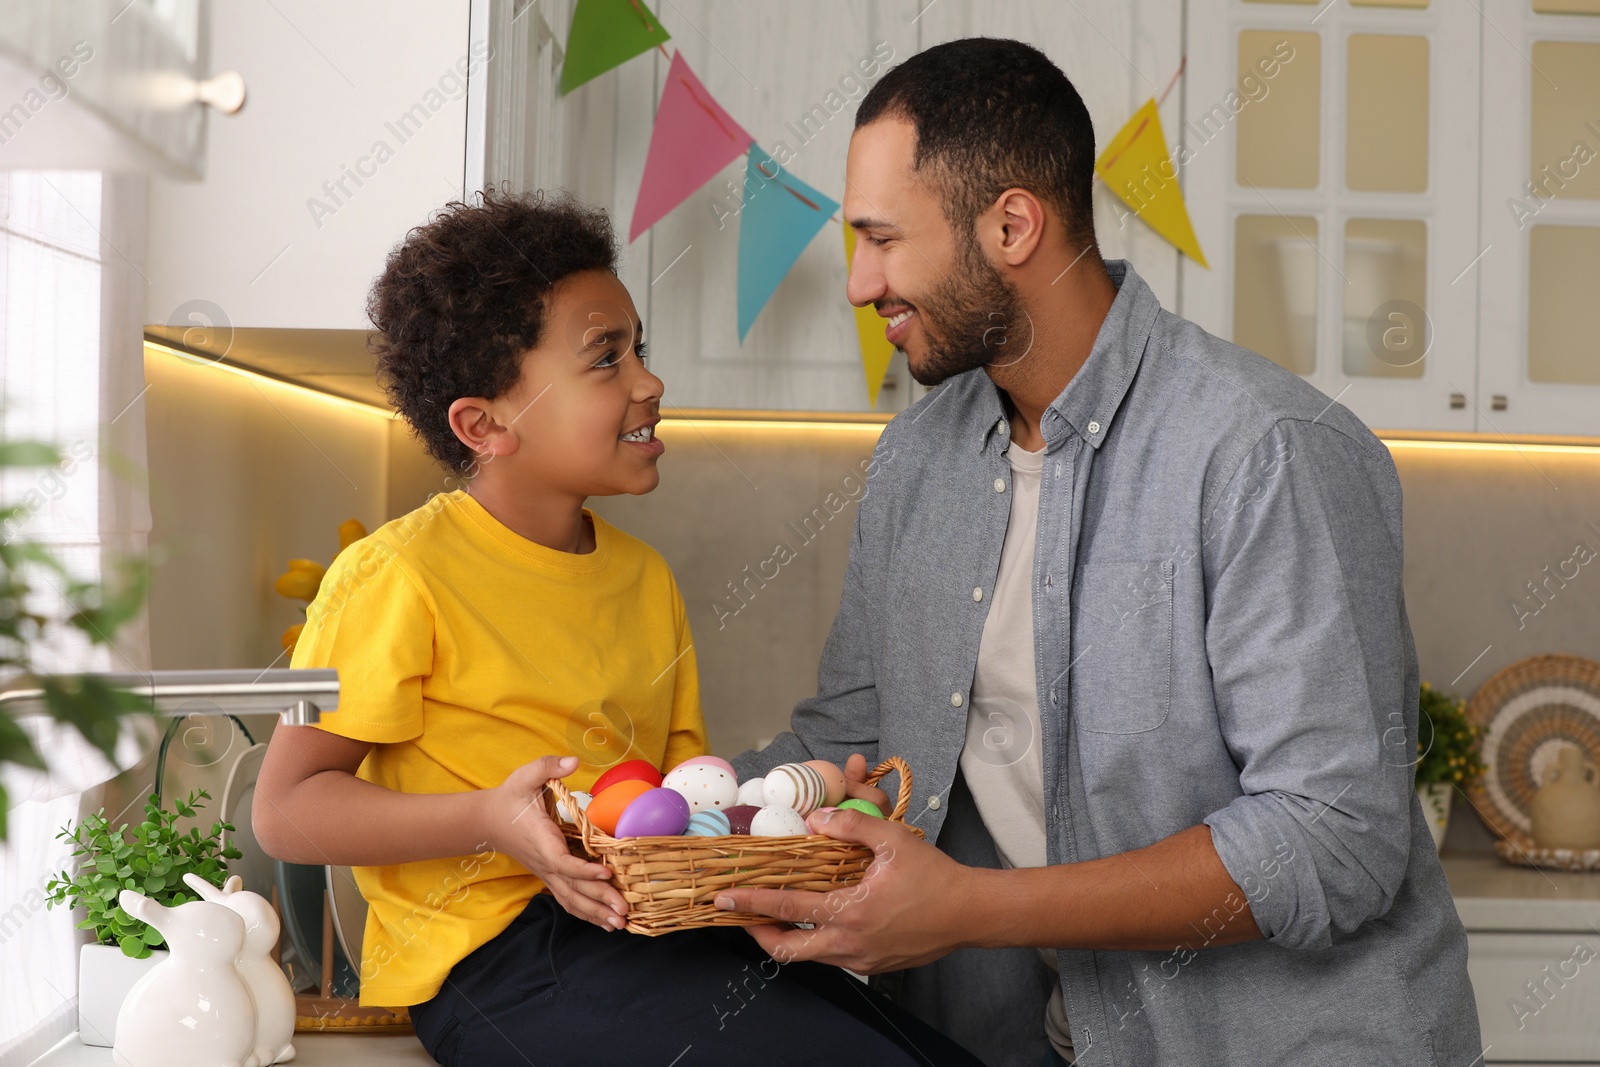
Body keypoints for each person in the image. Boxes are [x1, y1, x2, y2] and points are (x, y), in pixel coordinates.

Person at [717, 37, 1483, 1067]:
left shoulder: (1262, 451)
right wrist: (642, 820)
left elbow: (1331, 839)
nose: (859, 283)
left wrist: (970, 907)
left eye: (883, 239)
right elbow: (853, 735)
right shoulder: (914, 463)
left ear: (1012, 224)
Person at [252, 189, 985, 1067]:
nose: (650, 380)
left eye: (641, 347)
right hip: (502, 962)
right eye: (607, 358)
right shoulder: (398, 575)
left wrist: (802, 806)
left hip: (658, 929)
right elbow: (287, 810)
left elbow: (684, 802)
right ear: (485, 424)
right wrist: (493, 817)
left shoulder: (644, 578)